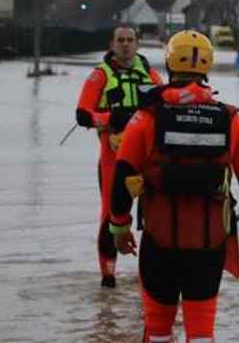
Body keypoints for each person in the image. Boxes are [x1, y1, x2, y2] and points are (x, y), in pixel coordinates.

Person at [109, 30, 239, 342]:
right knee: (201, 333)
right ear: (207, 67)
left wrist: (119, 228)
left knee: (157, 330)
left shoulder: (146, 117)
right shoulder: (230, 119)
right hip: (208, 245)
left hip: (158, 240)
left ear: (169, 63)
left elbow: (122, 175)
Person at [75, 26, 163, 288]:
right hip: (112, 154)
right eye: (120, 41)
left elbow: (166, 108)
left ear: (137, 44)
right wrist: (111, 118)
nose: (125, 45)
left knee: (153, 213)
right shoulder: (100, 76)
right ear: (111, 44)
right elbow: (82, 115)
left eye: (130, 40)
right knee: (109, 214)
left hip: (146, 156)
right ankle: (108, 276)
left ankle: (150, 272)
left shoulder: (150, 74)